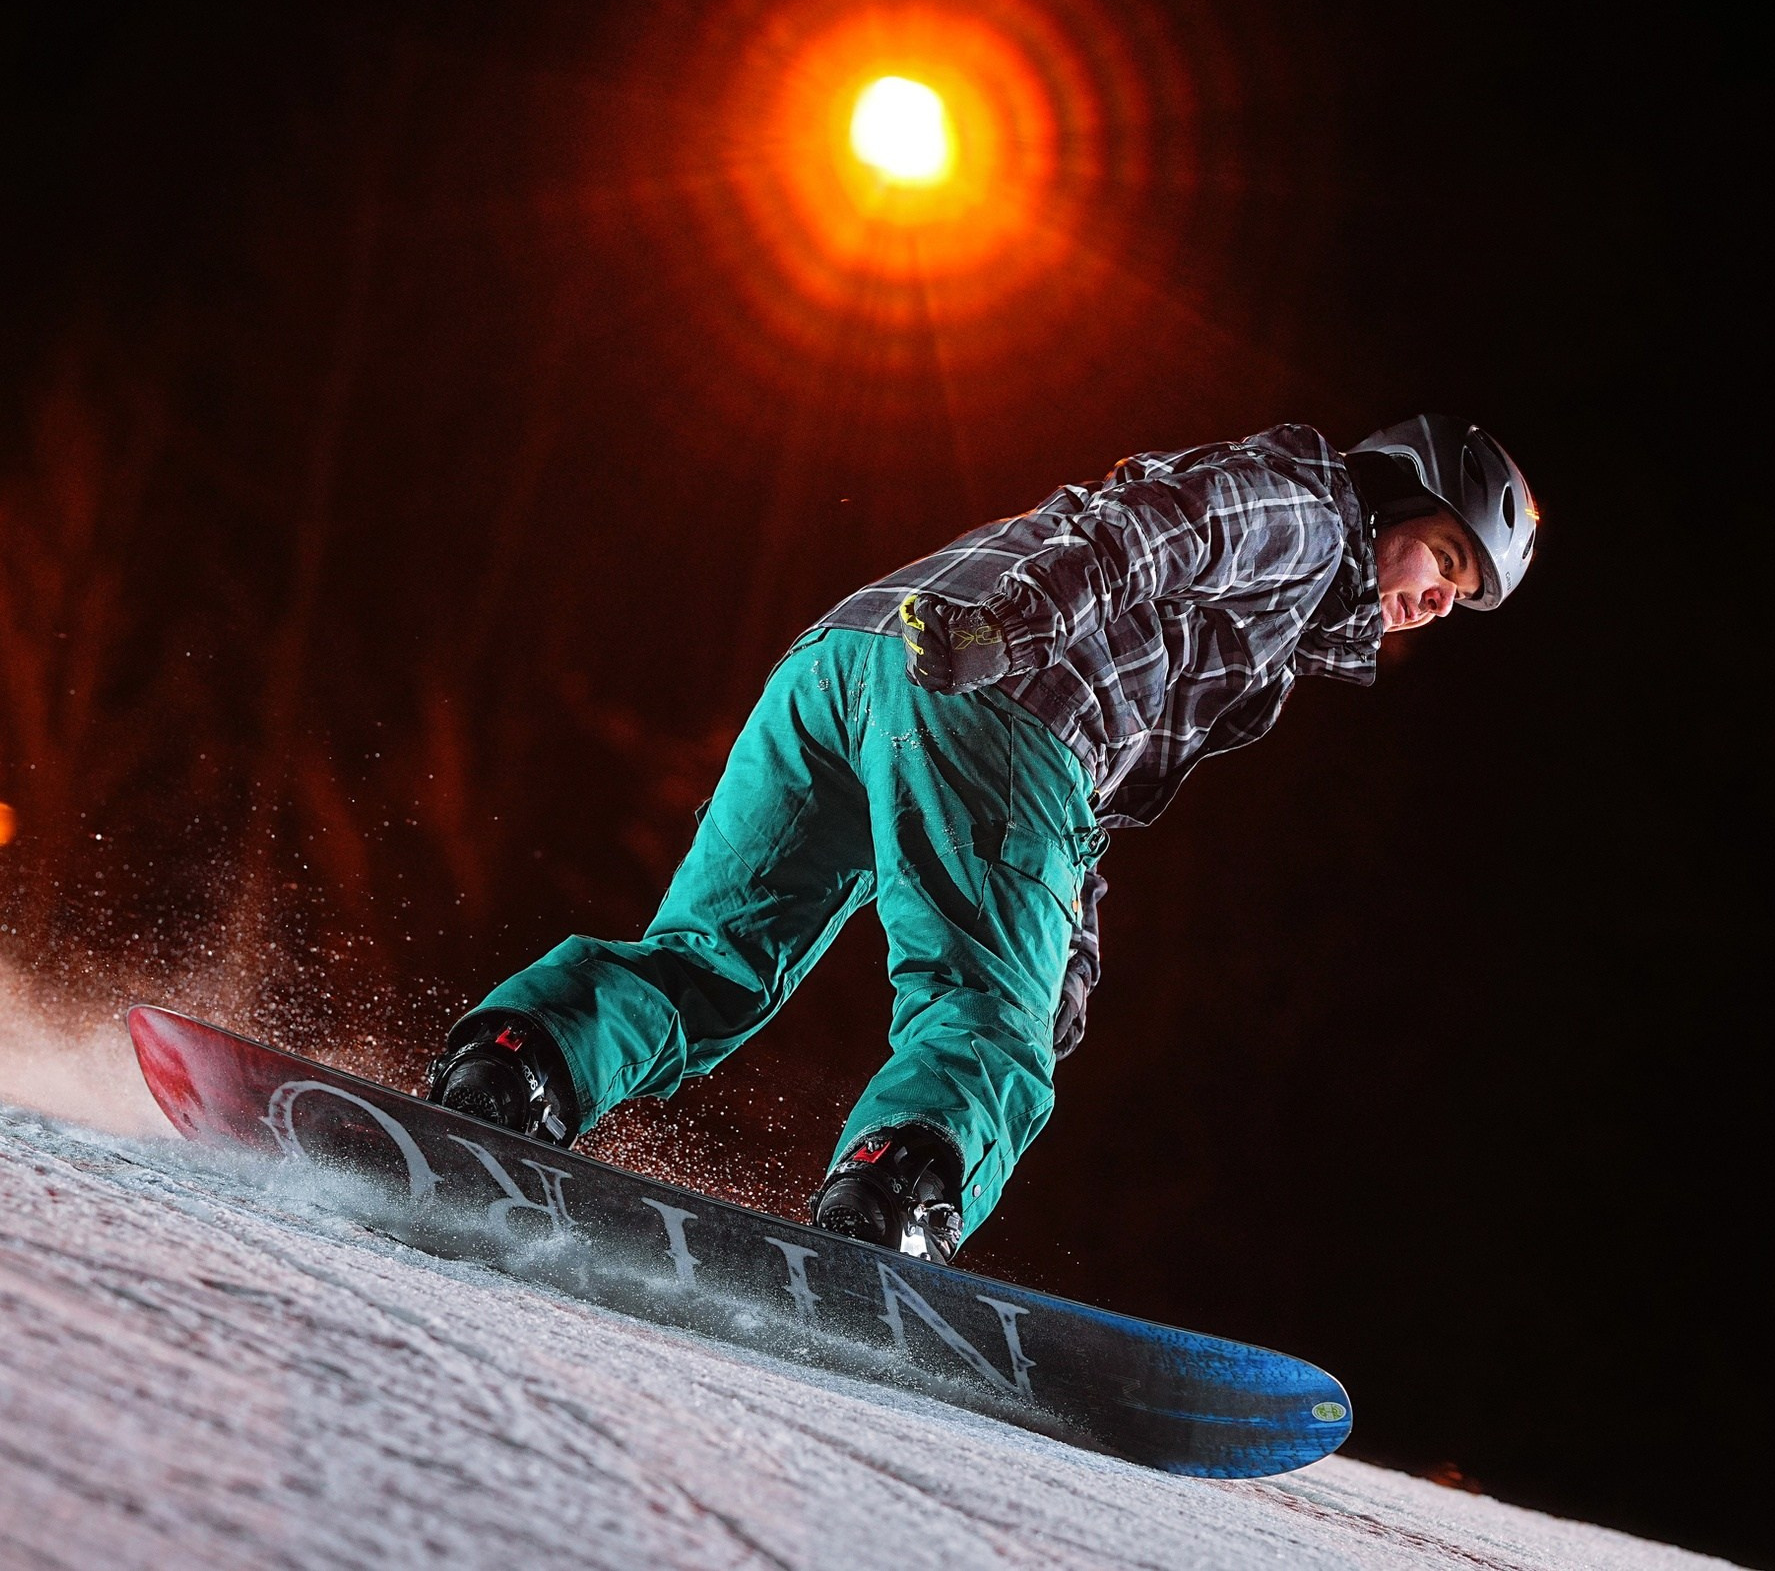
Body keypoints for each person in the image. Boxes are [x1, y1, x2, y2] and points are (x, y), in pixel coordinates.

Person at [427, 415, 1538, 1263]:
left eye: (1464, 594)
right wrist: (1002, 629)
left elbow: (1090, 799)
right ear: (1398, 497)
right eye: (1444, 558)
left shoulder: (1285, 606)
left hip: (844, 661)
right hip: (989, 686)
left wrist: (1070, 959)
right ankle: (895, 1198)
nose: (1440, 599)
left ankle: (522, 1067)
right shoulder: (1308, 509)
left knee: (716, 956)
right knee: (982, 1027)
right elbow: (1144, 532)